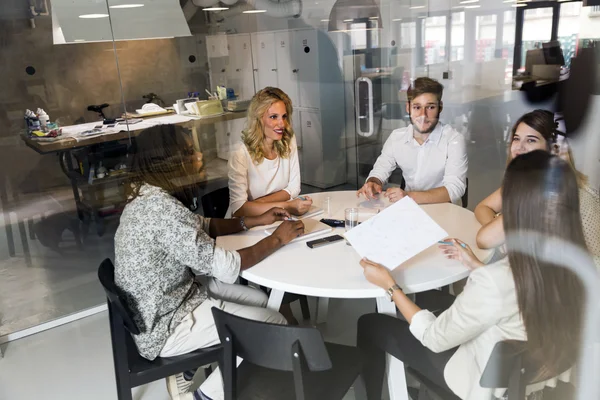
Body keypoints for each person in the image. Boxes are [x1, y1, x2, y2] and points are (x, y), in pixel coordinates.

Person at [356, 151, 589, 400]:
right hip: (532, 371)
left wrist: (390, 286)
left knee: (370, 323)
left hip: (478, 379)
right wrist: (476, 264)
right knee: (423, 301)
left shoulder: (496, 280)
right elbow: (517, 292)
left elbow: (434, 338)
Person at [114, 124, 305, 400]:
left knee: (262, 301)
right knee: (273, 323)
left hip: (168, 300)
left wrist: (253, 220)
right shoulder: (160, 210)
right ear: (170, 162)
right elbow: (227, 267)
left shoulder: (149, 194)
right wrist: (277, 239)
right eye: (190, 152)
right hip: (167, 324)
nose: (200, 157)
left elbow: (201, 224)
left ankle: (189, 370)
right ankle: (206, 396)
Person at [475, 109, 599, 268]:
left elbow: (483, 239)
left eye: (531, 140)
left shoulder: (568, 195)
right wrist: (503, 230)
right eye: (516, 139)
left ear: (553, 149)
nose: (519, 147)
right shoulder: (526, 181)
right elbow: (483, 208)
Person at [357, 77, 468, 205]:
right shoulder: (397, 137)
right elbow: (380, 170)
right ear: (408, 108)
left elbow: (455, 189)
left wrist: (408, 196)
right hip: (408, 209)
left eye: (430, 107)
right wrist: (373, 182)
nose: (423, 115)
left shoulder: (453, 140)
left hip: (443, 210)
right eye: (417, 107)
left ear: (440, 107)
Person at [228, 87, 313, 217]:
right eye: (273, 117)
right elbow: (239, 209)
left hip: (279, 216)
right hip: (248, 222)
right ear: (258, 119)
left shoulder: (288, 140)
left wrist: (257, 203)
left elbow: (294, 188)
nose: (282, 124)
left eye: (284, 116)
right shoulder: (240, 152)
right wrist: (287, 206)